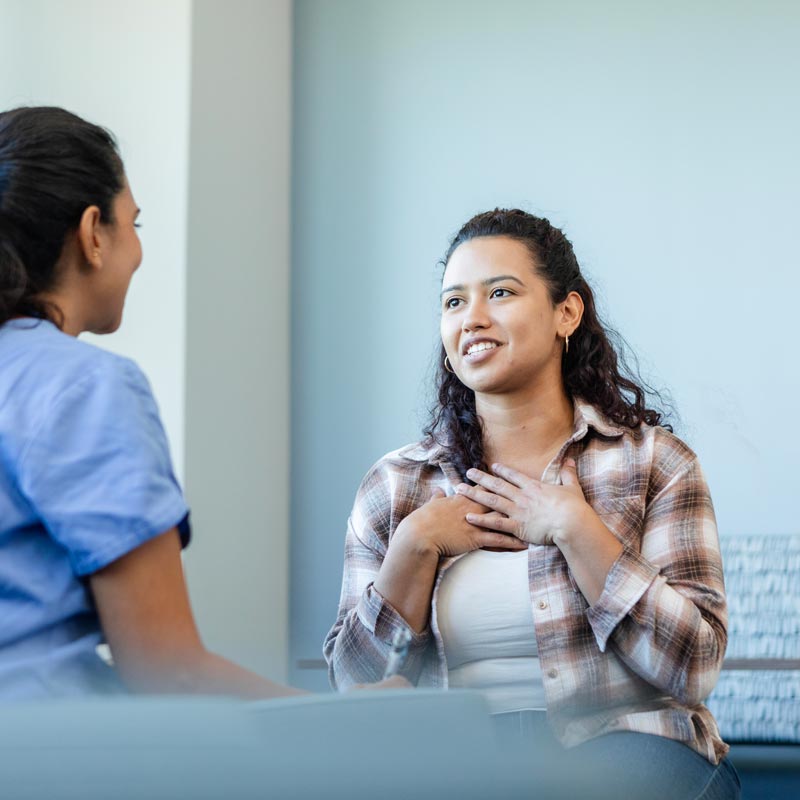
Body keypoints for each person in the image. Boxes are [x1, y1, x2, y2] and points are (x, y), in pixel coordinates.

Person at [324, 209, 740, 798]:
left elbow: (693, 669)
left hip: (629, 745)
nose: (473, 318)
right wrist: (414, 547)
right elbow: (356, 694)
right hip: (454, 763)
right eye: (453, 303)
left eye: (500, 292)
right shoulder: (396, 485)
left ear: (566, 313)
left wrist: (576, 529)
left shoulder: (656, 463)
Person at [0, 106, 402, 701]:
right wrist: (337, 718)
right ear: (92, 234)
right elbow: (169, 671)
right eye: (134, 224)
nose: (137, 251)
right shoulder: (87, 388)